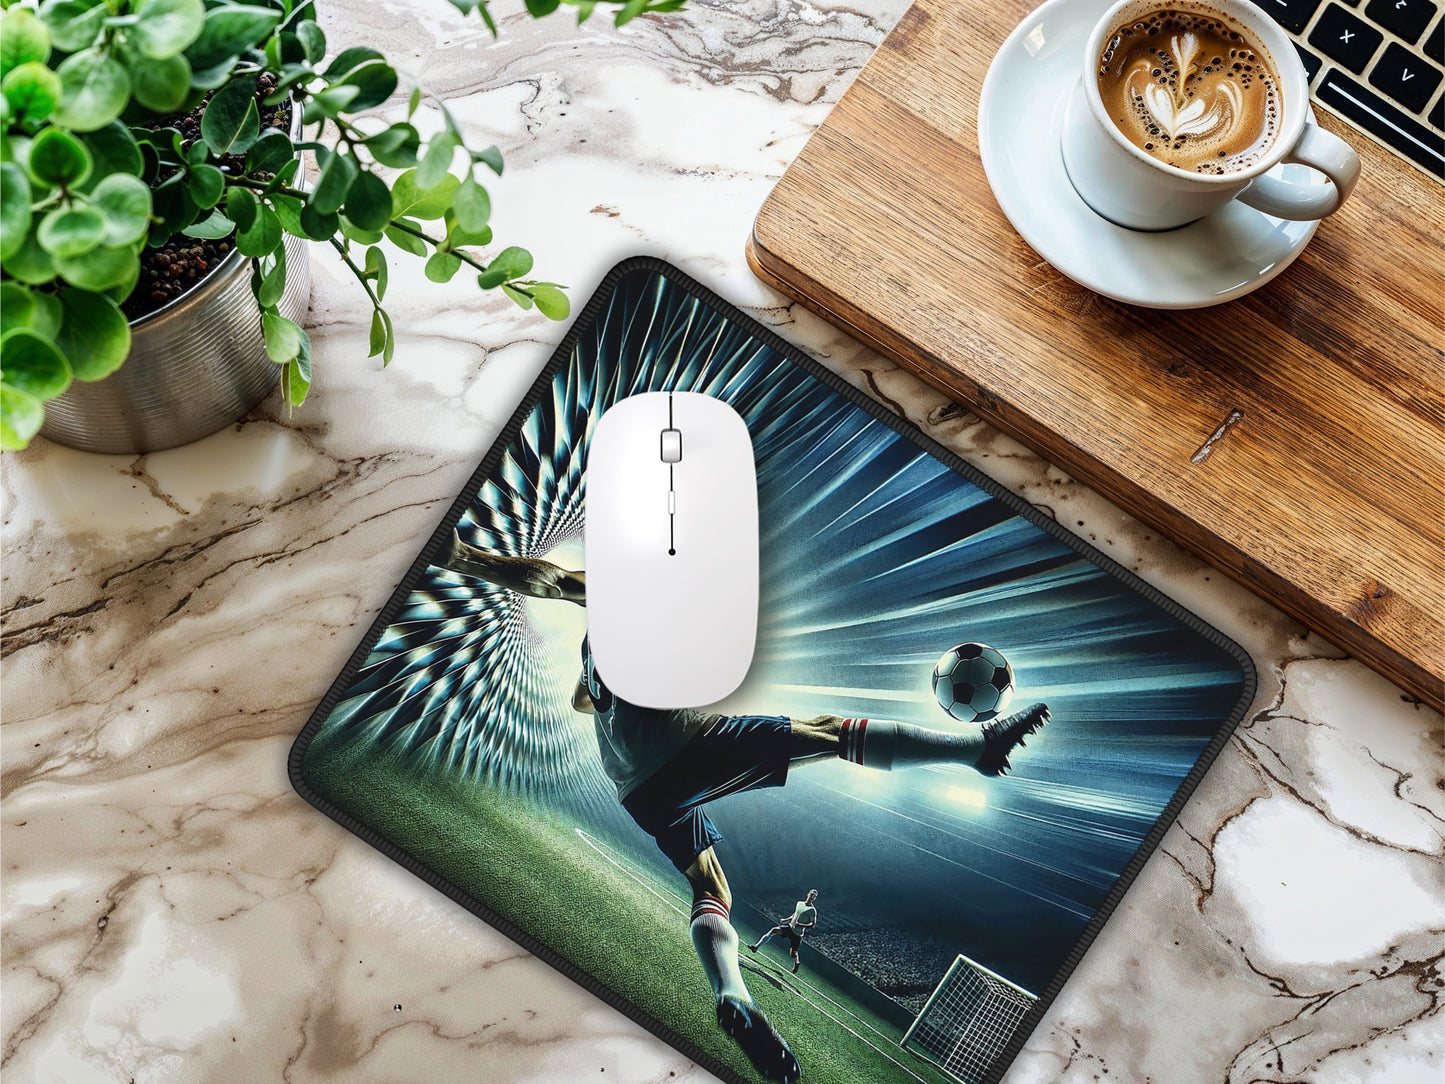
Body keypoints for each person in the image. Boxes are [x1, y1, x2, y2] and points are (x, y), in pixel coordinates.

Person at [439, 532, 1052, 1083]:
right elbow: (549, 580)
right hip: (678, 750)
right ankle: (976, 748)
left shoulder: (603, 638)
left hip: (634, 788)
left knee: (712, 889)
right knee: (828, 731)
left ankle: (735, 995)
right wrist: (465, 557)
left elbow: (582, 694)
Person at [749, 890, 820, 974]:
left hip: (797, 934)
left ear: (815, 898)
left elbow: (812, 925)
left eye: (814, 896)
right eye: (811, 895)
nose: (812, 897)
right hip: (789, 927)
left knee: (793, 954)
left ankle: (797, 962)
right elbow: (795, 914)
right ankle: (756, 947)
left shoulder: (812, 910)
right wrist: (786, 920)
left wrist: (800, 925)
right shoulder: (799, 903)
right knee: (773, 930)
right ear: (808, 894)